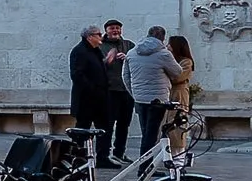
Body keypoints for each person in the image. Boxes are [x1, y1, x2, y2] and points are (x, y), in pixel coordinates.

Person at [123, 24, 177, 161]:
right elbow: (177, 72)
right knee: (152, 134)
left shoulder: (131, 52)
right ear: (162, 38)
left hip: (139, 99)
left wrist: (134, 93)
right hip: (158, 99)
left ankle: (145, 163)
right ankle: (145, 166)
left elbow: (125, 76)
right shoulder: (164, 54)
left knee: (145, 132)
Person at [66, 25, 115, 155]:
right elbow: (77, 75)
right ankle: (77, 156)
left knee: (104, 128)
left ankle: (103, 157)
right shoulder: (79, 51)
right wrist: (93, 89)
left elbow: (96, 69)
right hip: (86, 99)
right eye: (98, 34)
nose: (101, 37)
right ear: (89, 37)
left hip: (100, 98)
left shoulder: (95, 50)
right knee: (82, 128)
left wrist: (106, 62)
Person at [98, 20, 134, 165]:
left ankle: (120, 152)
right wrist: (107, 60)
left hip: (126, 90)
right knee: (107, 124)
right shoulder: (100, 46)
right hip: (109, 91)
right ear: (106, 30)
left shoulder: (128, 45)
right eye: (112, 28)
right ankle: (104, 154)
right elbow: (95, 66)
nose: (115, 31)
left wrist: (128, 58)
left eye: (118, 28)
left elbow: (138, 61)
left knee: (124, 124)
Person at [163, 34, 197, 155]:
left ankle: (178, 154)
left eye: (169, 44)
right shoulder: (169, 60)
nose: (167, 46)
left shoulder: (186, 62)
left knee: (177, 124)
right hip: (168, 94)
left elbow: (178, 77)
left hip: (179, 95)